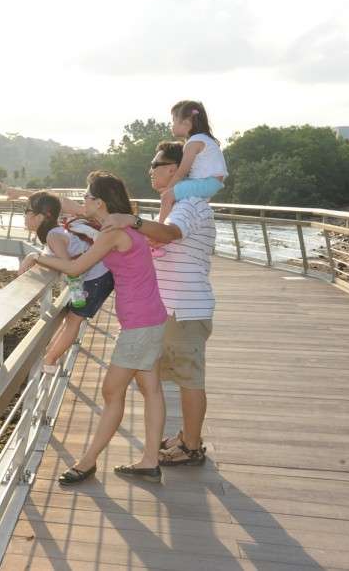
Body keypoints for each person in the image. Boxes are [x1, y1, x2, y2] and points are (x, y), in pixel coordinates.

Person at [22, 172, 167, 485]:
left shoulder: (112, 232)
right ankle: (150, 461)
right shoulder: (117, 225)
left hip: (140, 324)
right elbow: (69, 208)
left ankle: (87, 462)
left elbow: (76, 268)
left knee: (111, 391)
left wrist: (37, 257)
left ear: (99, 202)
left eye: (87, 197)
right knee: (151, 389)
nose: (81, 202)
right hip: (150, 318)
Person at [101, 140, 216, 467]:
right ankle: (185, 437)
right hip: (172, 309)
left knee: (189, 379)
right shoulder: (179, 203)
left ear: (174, 168)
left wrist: (132, 220)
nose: (150, 170)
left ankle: (192, 446)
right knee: (167, 376)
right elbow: (155, 238)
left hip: (185, 308)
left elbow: (169, 235)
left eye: (155, 164)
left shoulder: (189, 204)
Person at [19, 191, 114, 374]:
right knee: (71, 319)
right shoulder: (56, 232)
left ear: (39, 216)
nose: (24, 215)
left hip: (96, 278)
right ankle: (51, 356)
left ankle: (50, 361)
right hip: (97, 275)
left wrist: (35, 257)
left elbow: (68, 265)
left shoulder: (53, 236)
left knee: (72, 321)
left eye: (27, 210)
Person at [157, 100, 227, 224]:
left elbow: (181, 172)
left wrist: (168, 189)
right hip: (209, 182)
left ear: (186, 123)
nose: (171, 126)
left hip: (207, 183)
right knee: (172, 190)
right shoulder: (204, 139)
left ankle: (160, 229)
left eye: (173, 121)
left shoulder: (194, 142)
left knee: (167, 196)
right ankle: (172, 218)